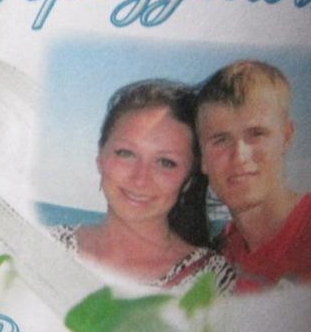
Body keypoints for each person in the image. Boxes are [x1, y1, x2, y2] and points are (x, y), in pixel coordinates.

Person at [51, 79, 235, 294]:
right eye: (126, 153)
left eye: (166, 162)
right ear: (100, 156)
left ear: (189, 179)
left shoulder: (214, 282)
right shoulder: (45, 243)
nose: (140, 179)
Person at [195, 60, 311, 293]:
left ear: (287, 137)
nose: (239, 156)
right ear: (202, 158)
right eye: (221, 140)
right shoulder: (219, 255)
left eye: (256, 134)